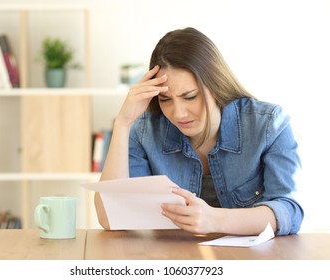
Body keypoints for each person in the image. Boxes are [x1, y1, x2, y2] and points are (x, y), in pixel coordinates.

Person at [95, 27, 303, 236]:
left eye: (190, 96)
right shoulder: (144, 131)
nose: (179, 113)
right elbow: (111, 218)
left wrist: (215, 220)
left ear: (216, 84)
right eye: (165, 99)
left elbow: (289, 211)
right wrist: (122, 123)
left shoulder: (268, 124)